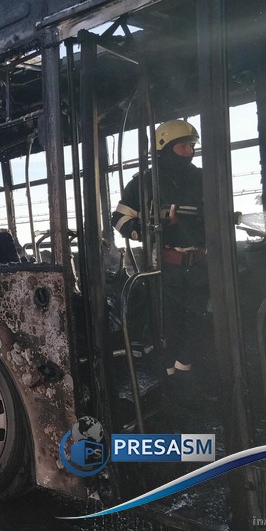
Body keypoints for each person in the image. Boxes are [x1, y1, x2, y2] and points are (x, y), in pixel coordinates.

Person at [112, 120, 212, 400]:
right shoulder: (142, 183)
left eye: (192, 146)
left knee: (198, 326)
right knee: (168, 327)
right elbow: (119, 218)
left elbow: (215, 219)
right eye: (183, 146)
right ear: (164, 148)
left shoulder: (204, 178)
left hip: (201, 267)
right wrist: (149, 229)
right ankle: (171, 389)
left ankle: (190, 385)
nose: (189, 152)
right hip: (164, 270)